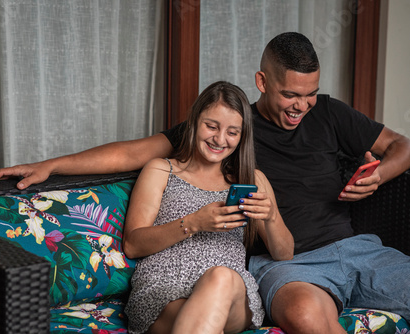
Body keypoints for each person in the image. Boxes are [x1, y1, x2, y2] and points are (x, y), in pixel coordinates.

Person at [0, 32, 410, 333]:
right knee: (284, 308)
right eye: (291, 94)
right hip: (286, 273)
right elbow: (133, 153)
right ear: (262, 82)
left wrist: (378, 173)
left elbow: (405, 148)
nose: (302, 105)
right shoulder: (226, 133)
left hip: (354, 247)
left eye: (310, 95)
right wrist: (52, 165)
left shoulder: (316, 124)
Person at [122, 80, 293, 334]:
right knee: (203, 320)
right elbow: (133, 245)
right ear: (194, 121)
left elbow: (284, 254)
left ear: (242, 136)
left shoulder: (252, 180)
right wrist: (194, 223)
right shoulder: (161, 170)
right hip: (164, 291)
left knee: (220, 278)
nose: (220, 139)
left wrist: (270, 217)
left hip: (231, 292)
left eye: (232, 132)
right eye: (211, 126)